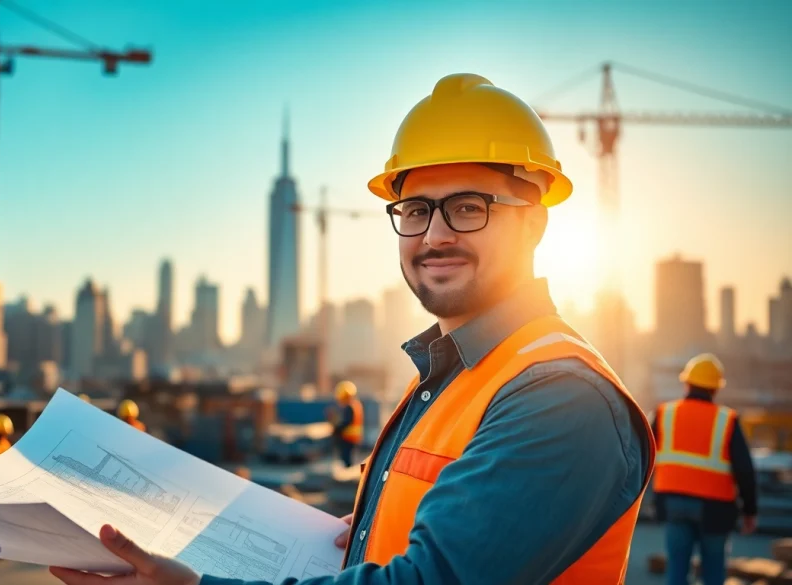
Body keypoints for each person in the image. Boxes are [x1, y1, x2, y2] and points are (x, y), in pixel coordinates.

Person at [48, 73, 655, 585]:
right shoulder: (454, 377)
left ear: (535, 224)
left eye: (469, 207)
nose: (435, 235)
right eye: (416, 210)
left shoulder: (560, 398)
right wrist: (369, 528)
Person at [652, 353, 757, 585]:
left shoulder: (665, 414)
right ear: (715, 389)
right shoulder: (727, 419)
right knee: (713, 572)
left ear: (686, 383)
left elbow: (644, 455)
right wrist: (750, 510)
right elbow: (745, 470)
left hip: (673, 503)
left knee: (677, 572)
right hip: (716, 508)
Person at [332, 380, 364, 468]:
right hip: (354, 438)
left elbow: (346, 422)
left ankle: (348, 479)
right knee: (350, 460)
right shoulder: (356, 404)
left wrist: (336, 430)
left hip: (348, 438)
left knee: (347, 461)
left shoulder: (349, 407)